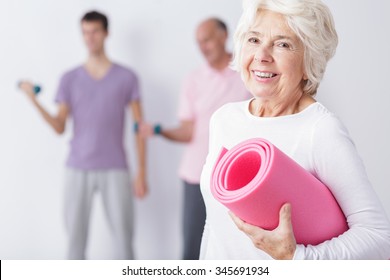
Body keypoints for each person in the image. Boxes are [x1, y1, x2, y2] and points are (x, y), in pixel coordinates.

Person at [199, 0, 390, 260]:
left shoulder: (319, 130)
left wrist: (296, 258)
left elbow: (378, 237)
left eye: (283, 44)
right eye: (254, 39)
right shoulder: (224, 119)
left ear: (308, 60)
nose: (262, 56)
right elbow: (216, 223)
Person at [19, 10, 147, 259]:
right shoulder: (69, 79)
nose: (90, 37)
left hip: (115, 168)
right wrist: (33, 100)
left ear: (106, 33)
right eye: (85, 32)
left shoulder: (127, 77)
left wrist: (142, 171)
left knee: (124, 241)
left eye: (95, 31)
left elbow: (139, 128)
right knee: (75, 244)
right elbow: (59, 126)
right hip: (77, 167)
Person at [139, 18, 251, 259]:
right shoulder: (193, 79)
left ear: (223, 36)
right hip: (196, 176)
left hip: (237, 177)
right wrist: (158, 130)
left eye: (207, 39)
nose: (203, 47)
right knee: (193, 247)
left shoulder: (247, 71)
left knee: (239, 247)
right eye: (198, 42)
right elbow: (187, 131)